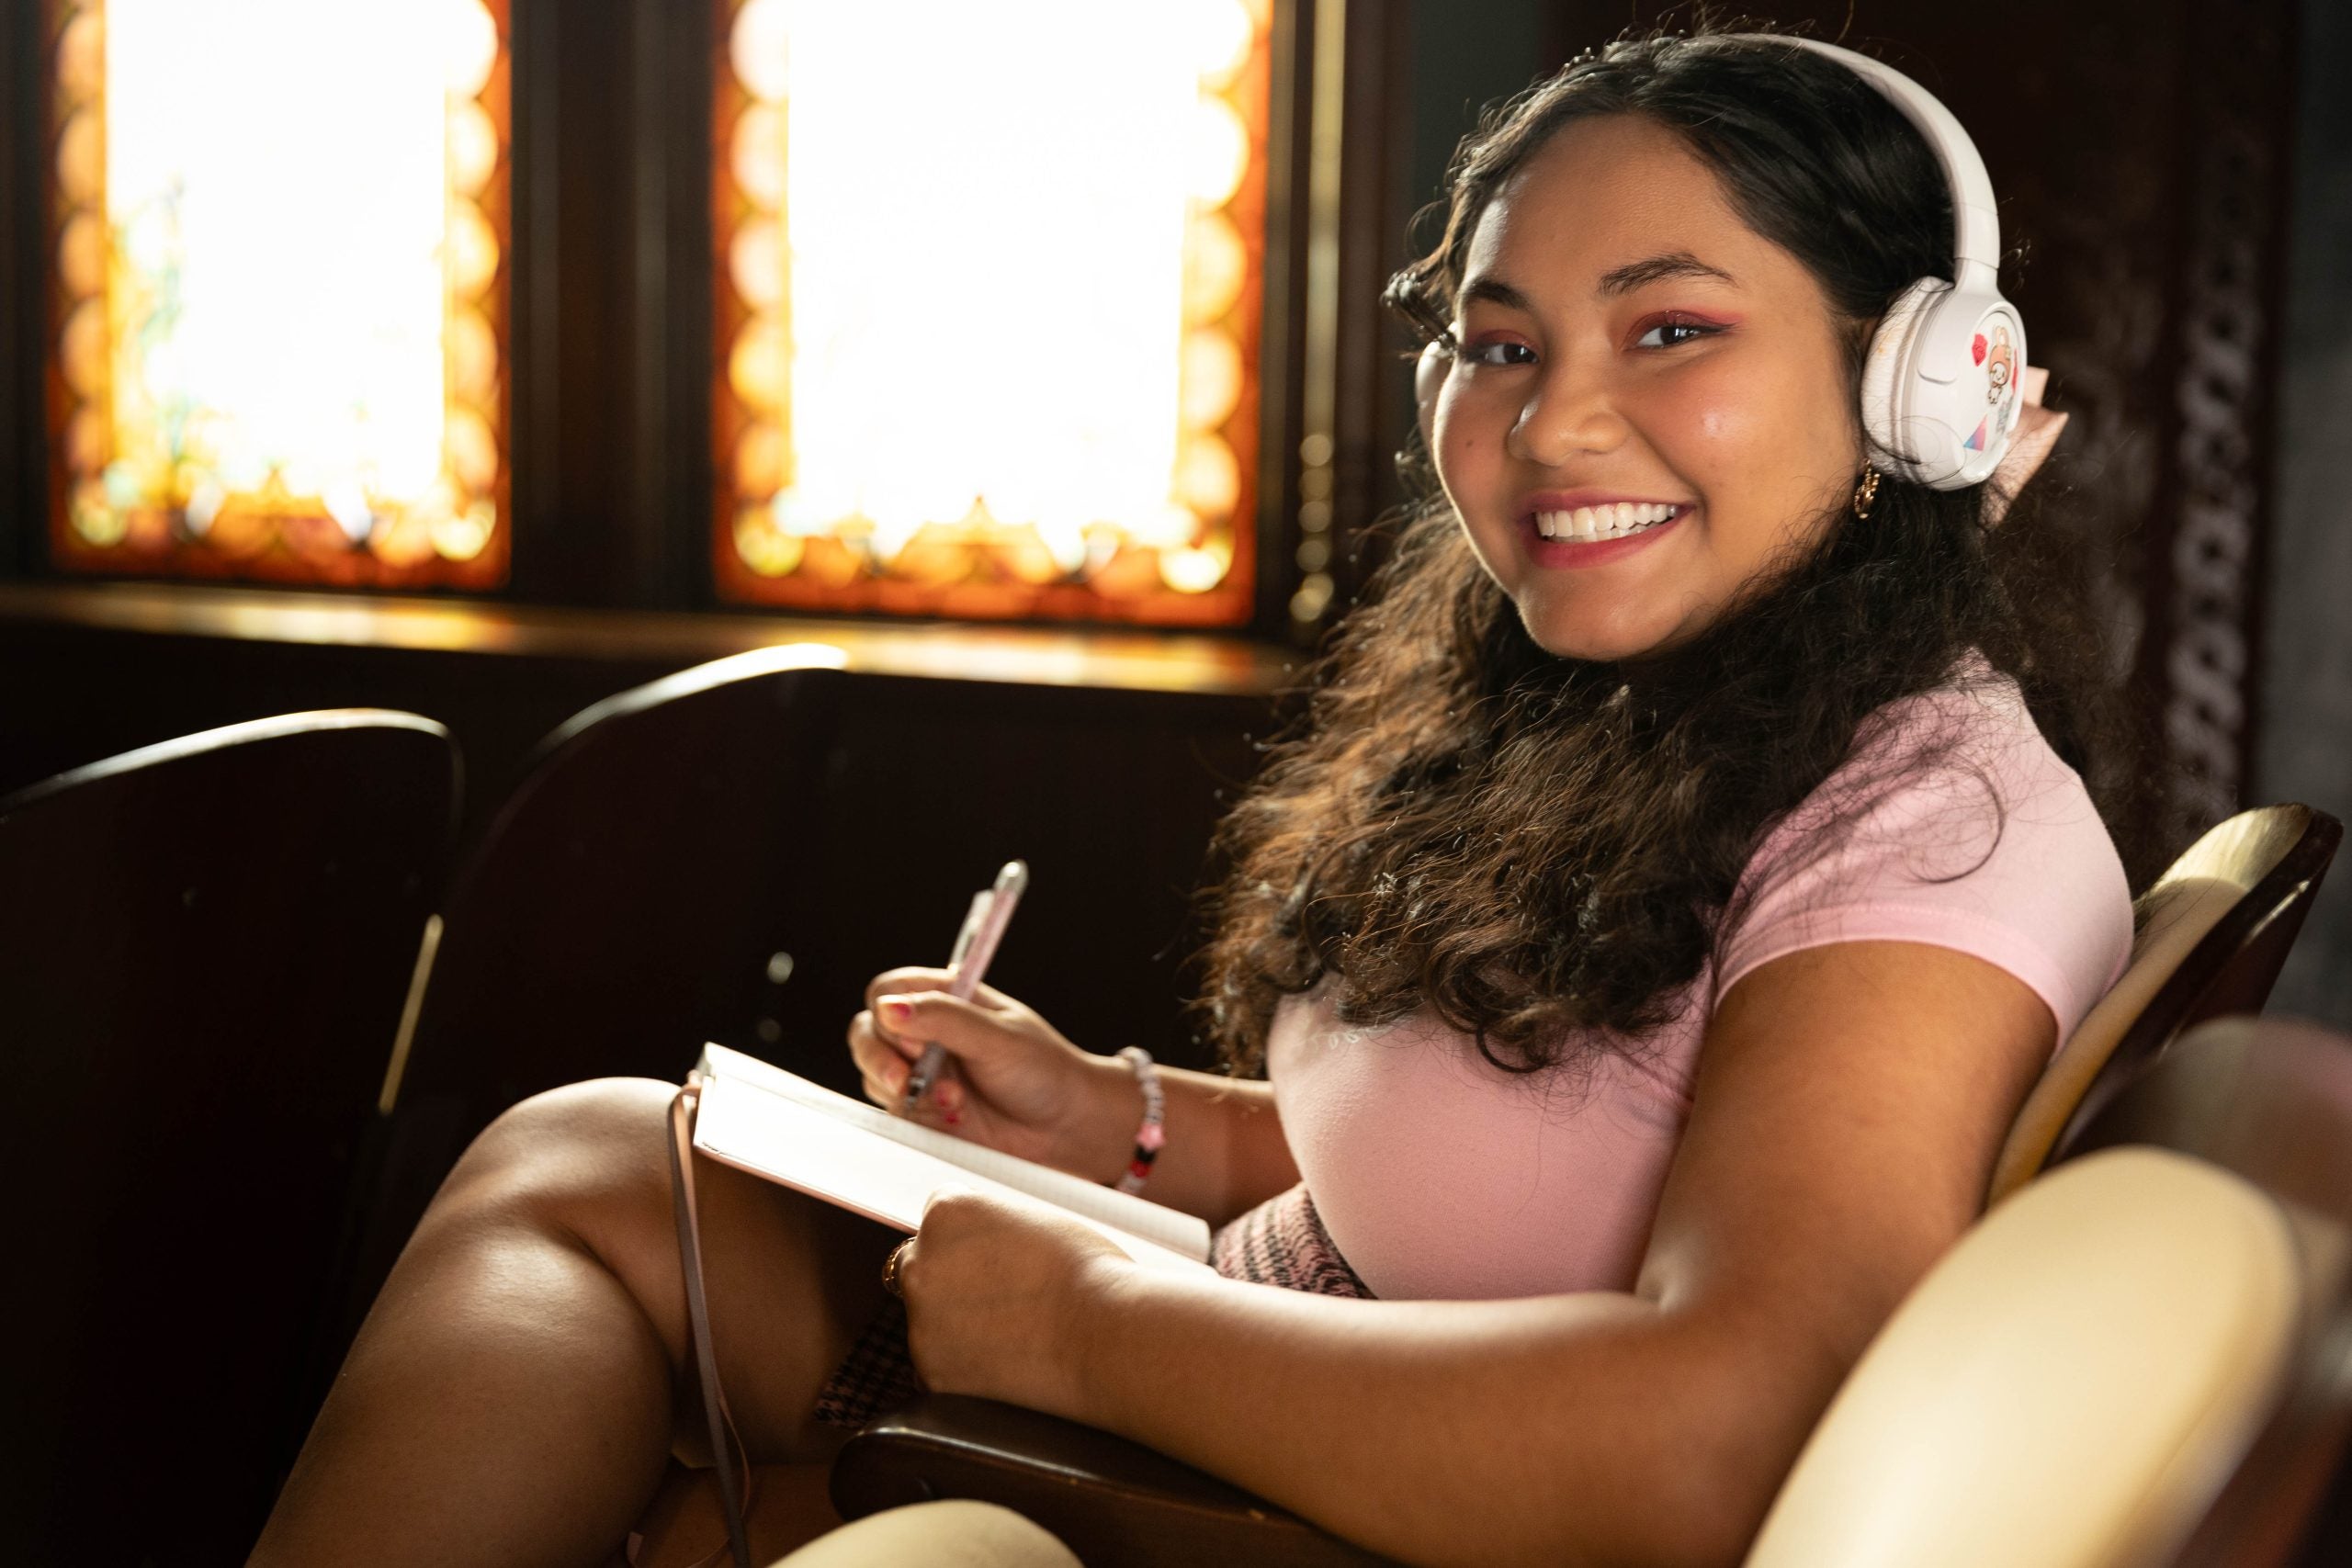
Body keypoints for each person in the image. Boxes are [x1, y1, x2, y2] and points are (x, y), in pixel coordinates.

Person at [252, 26, 2143, 1568]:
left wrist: (1082, 1322)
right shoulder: (1686, 697)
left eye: (1668, 328)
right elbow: (1532, 1146)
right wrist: (1122, 1119)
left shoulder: (1926, 825)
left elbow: (1729, 1443)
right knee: (598, 1162)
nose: (1550, 420)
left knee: (590, 1208)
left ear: (1924, 388)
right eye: (1496, 344)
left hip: (1325, 1466)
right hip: (1286, 1339)